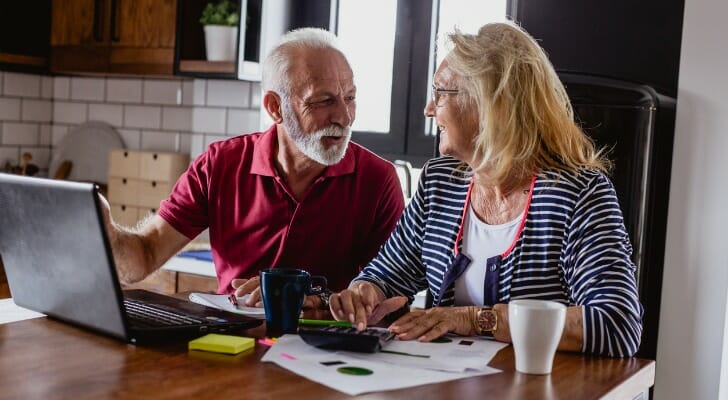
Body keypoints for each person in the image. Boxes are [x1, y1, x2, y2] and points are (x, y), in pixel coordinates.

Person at [329, 22, 643, 357]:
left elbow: (617, 323)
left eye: (440, 93)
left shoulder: (579, 194)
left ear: (489, 104)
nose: (429, 109)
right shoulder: (440, 181)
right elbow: (388, 274)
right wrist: (365, 291)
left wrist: (477, 319)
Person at [102, 28, 405, 309]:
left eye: (350, 98)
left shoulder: (378, 179)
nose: (344, 116)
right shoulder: (220, 163)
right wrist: (108, 234)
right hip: (231, 345)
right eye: (324, 101)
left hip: (326, 352)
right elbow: (145, 255)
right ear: (275, 107)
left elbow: (393, 292)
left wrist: (317, 299)